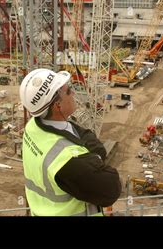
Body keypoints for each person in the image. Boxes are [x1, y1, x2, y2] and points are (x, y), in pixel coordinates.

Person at [19, 68, 121, 216]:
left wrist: (93, 155)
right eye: (68, 91)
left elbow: (81, 133)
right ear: (57, 105)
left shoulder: (32, 128)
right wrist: (95, 158)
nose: (73, 93)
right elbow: (112, 189)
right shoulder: (68, 161)